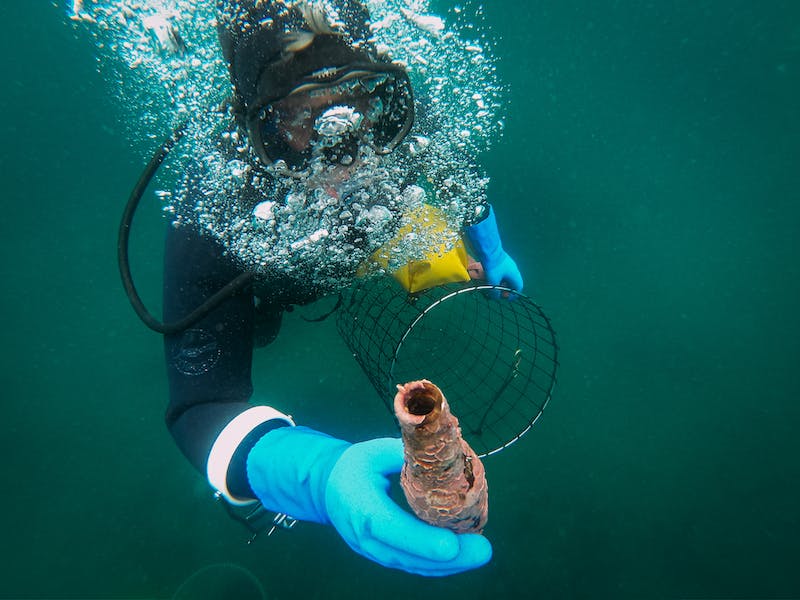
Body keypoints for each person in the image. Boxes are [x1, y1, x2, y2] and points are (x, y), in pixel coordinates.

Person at [163, 0, 523, 577]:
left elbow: (455, 168)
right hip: (277, 278)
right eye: (303, 115)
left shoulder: (398, 114)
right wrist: (320, 475)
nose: (346, 145)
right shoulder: (213, 211)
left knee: (429, 245)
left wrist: (491, 246)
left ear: (383, 88)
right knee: (255, 320)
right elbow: (199, 410)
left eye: (359, 102)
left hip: (380, 236)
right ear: (256, 124)